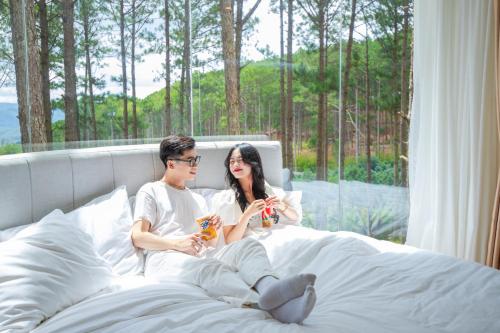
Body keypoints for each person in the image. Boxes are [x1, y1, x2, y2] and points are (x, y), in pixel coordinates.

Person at [131, 135, 316, 324]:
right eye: (190, 160)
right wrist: (177, 244)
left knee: (248, 246)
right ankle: (268, 305)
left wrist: (212, 229)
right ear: (171, 164)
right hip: (165, 257)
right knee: (209, 268)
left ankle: (270, 288)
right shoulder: (151, 191)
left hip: (199, 254)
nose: (196, 164)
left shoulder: (198, 200)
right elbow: (138, 236)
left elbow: (210, 242)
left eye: (197, 159)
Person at [214, 143, 300, 244]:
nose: (235, 165)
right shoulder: (228, 198)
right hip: (252, 245)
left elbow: (295, 217)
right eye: (231, 161)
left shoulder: (265, 188)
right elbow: (229, 241)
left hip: (275, 238)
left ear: (252, 162)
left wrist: (281, 206)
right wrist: (247, 215)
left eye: (240, 160)